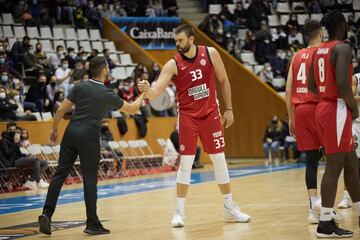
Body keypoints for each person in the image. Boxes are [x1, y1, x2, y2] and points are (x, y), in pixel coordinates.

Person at [138, 24, 251, 228]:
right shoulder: (173, 64)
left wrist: (230, 109)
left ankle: (229, 206)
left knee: (219, 160)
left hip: (211, 114)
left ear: (191, 39)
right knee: (186, 163)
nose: (178, 44)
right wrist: (147, 89)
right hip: (188, 117)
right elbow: (156, 91)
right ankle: (179, 211)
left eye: (181, 40)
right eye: (176, 41)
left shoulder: (211, 53)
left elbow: (224, 80)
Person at [38, 56, 147, 236]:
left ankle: (46, 214)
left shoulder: (79, 86)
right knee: (89, 179)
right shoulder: (106, 93)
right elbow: (133, 109)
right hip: (88, 135)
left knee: (59, 174)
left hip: (71, 131)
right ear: (104, 70)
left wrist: (54, 130)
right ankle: (92, 223)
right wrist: (144, 93)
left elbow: (60, 110)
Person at [308, 10, 360, 238]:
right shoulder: (343, 47)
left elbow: (311, 85)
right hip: (337, 108)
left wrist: (327, 96)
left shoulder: (317, 50)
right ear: (340, 24)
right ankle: (325, 223)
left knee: (351, 163)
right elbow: (342, 82)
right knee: (334, 166)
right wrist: (354, 107)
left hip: (323, 107)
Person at [285, 20, 323, 224]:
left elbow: (288, 89)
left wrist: (290, 116)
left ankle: (312, 209)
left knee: (311, 161)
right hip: (318, 108)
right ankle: (326, 205)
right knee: (335, 159)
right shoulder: (322, 53)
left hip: (300, 111)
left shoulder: (297, 55)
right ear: (320, 34)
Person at [337, 73, 360, 209]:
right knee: (352, 161)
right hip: (356, 124)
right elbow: (349, 99)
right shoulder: (355, 78)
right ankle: (346, 196)